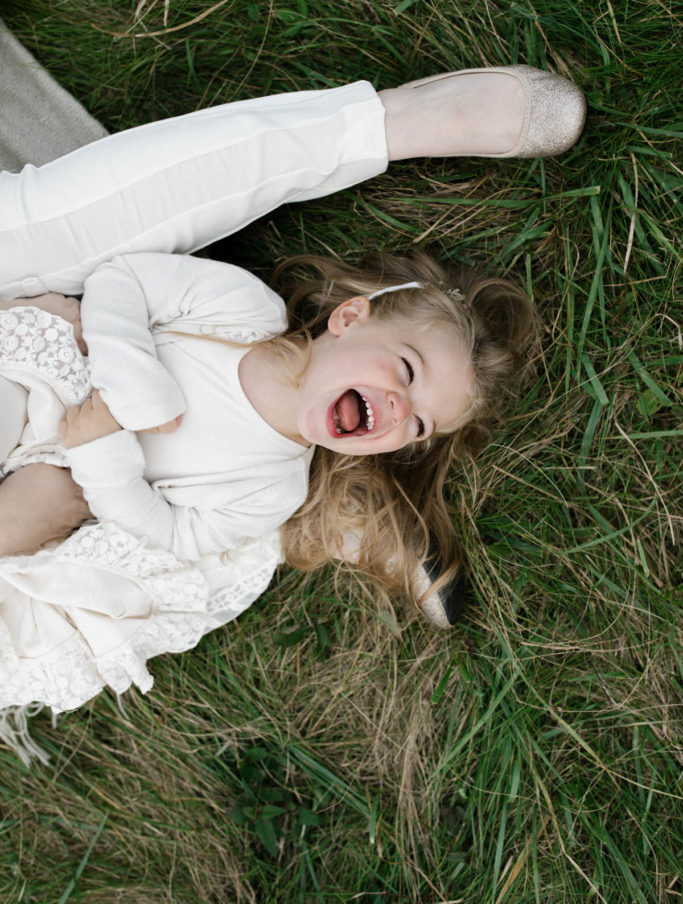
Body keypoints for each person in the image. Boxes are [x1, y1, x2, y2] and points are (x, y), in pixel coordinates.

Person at [0, 65, 585, 757]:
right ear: (347, 317)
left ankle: (382, 126)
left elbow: (173, 535)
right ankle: (348, 518)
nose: (398, 409)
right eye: (403, 371)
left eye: (418, 425)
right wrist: (131, 384)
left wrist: (103, 460)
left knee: (41, 505)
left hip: (72, 469)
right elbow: (122, 282)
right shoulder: (240, 312)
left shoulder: (270, 484)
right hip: (49, 384)